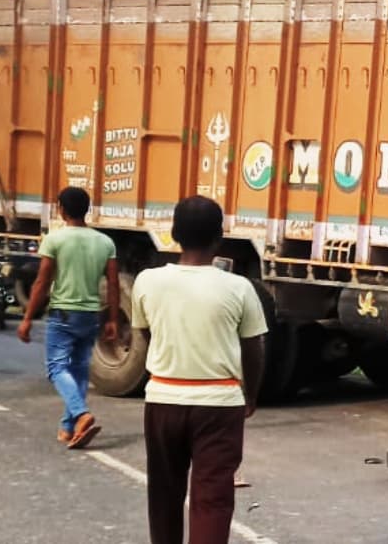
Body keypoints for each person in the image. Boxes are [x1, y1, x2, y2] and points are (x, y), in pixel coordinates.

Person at [132, 196, 267, 544]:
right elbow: (254, 348)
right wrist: (249, 395)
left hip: (163, 397)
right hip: (220, 403)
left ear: (174, 234)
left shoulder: (147, 282)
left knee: (164, 494)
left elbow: (148, 334)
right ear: (218, 238)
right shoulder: (239, 288)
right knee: (212, 499)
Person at [18, 187, 119, 449]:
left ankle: (81, 413)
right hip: (91, 315)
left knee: (57, 368)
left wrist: (28, 317)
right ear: (87, 209)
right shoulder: (105, 242)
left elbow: (42, 281)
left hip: (63, 314)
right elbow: (114, 282)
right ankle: (68, 427)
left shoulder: (55, 239)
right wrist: (112, 319)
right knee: (79, 368)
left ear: (61, 208)